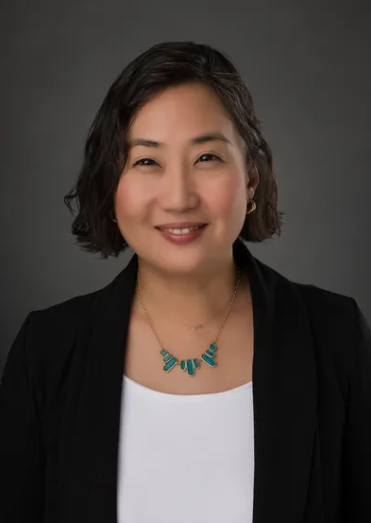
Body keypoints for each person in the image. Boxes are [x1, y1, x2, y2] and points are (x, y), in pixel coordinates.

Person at [0, 40, 370, 523]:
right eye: (147, 161)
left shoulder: (335, 338)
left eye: (207, 158)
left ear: (251, 177)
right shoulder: (46, 352)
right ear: (111, 183)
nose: (178, 198)